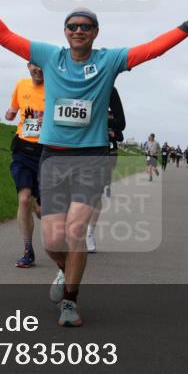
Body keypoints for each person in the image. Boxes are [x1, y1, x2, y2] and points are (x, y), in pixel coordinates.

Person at [0, 0, 188, 327]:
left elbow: (152, 50)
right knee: (53, 240)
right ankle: (66, 272)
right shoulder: (50, 57)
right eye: (72, 26)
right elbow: (4, 37)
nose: (78, 31)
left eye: (86, 26)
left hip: (90, 159)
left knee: (75, 231)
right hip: (52, 158)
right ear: (65, 33)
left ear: (96, 33)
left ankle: (70, 300)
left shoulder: (109, 60)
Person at [5, 62, 45, 268]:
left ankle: (49, 222)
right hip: (22, 150)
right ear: (28, 66)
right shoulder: (21, 85)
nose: (38, 70)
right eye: (34, 66)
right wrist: (10, 113)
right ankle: (28, 250)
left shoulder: (56, 87)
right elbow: (13, 109)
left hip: (47, 154)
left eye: (42, 66)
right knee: (24, 199)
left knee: (41, 208)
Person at [86, 86, 126, 253]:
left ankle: (89, 234)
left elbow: (121, 125)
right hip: (73, 146)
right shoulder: (72, 81)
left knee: (95, 195)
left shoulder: (109, 90)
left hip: (103, 150)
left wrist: (103, 124)